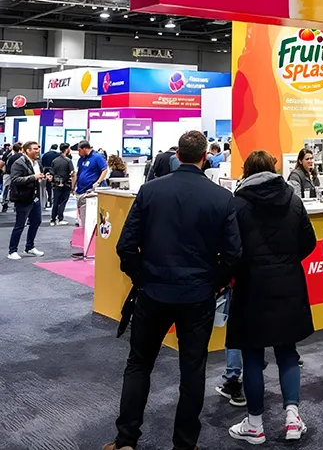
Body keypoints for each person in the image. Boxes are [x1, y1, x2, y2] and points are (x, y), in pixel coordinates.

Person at [102, 131, 242, 450]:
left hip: (153, 292)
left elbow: (126, 247)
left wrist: (142, 278)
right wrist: (212, 283)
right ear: (205, 157)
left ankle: (126, 440)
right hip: (197, 295)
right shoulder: (221, 197)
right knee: (192, 370)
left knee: (139, 364)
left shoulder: (150, 191)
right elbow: (233, 254)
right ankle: (184, 444)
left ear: (177, 155)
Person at [226, 150, 316, 444]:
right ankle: (292, 418)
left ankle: (255, 424)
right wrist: (286, 262)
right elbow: (308, 242)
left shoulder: (237, 203)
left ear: (246, 170)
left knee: (251, 353)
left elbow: (231, 251)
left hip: (251, 287)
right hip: (288, 284)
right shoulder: (292, 198)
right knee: (287, 352)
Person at [7, 141, 48, 260]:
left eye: (38, 148)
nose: (37, 151)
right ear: (27, 151)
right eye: (35, 149)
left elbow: (38, 177)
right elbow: (15, 180)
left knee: (36, 222)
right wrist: (33, 177)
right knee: (20, 225)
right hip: (23, 198)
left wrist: (45, 176)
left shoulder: (37, 163)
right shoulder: (19, 163)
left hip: (34, 197)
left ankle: (29, 247)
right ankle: (12, 250)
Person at [74, 141, 108, 245]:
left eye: (79, 150)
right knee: (82, 218)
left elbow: (105, 170)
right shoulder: (81, 159)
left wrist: (98, 182)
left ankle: (91, 242)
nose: (78, 153)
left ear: (84, 148)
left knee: (89, 218)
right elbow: (79, 172)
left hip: (90, 191)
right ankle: (86, 240)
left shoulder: (97, 157)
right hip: (80, 190)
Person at [50, 143, 75, 226]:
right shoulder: (68, 161)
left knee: (56, 202)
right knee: (63, 201)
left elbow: (51, 172)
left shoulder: (54, 160)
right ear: (67, 149)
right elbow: (72, 173)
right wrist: (73, 186)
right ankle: (60, 218)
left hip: (56, 183)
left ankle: (53, 219)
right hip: (66, 183)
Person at [1, 142, 22, 212]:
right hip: (16, 175)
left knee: (6, 189)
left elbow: (2, 163)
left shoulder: (8, 154)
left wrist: (3, 170)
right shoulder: (21, 156)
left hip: (8, 174)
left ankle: (5, 204)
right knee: (16, 189)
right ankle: (15, 205)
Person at [41, 143, 61, 208]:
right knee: (55, 187)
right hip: (55, 172)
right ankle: (53, 201)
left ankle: (47, 201)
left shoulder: (45, 154)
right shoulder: (58, 155)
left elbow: (42, 163)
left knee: (47, 187)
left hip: (46, 171)